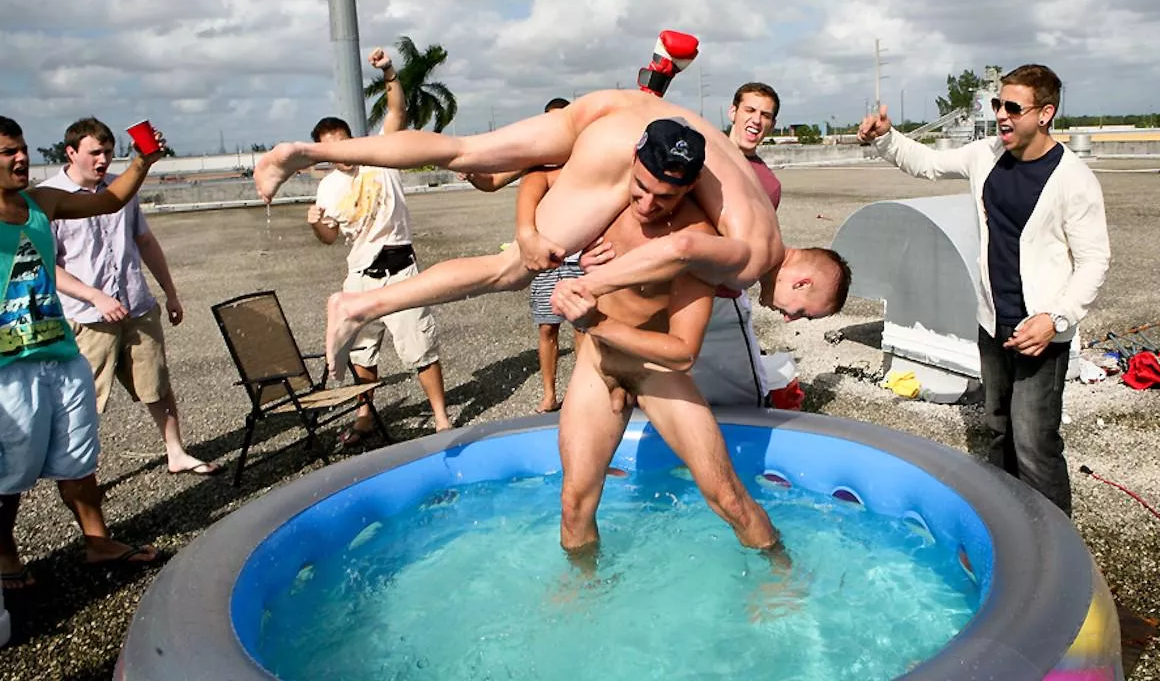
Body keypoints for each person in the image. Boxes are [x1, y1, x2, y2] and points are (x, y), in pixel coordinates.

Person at [255, 79, 850, 376]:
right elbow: (686, 244)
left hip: (620, 105)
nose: (790, 319)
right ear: (801, 280)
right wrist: (598, 281)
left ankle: (299, 154)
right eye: (804, 311)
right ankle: (361, 306)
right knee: (514, 267)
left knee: (463, 150)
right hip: (625, 144)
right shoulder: (752, 260)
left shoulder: (764, 209)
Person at [856, 64, 1110, 516]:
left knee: (1034, 442)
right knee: (996, 427)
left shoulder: (1074, 180)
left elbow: (1094, 262)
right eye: (998, 104)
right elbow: (930, 164)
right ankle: (1010, 522)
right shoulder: (987, 154)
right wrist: (886, 138)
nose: (1002, 116)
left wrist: (1056, 319)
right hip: (993, 323)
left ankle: (1056, 545)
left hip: (1041, 334)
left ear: (1045, 113)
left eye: (1014, 107)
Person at [549, 117, 782, 566]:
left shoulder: (695, 241)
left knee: (727, 497)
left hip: (655, 369)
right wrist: (539, 239)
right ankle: (583, 599)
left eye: (666, 197)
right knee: (574, 504)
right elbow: (537, 177)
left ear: (690, 186)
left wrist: (592, 320)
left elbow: (682, 352)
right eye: (641, 188)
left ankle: (782, 574)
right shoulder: (605, 199)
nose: (648, 204)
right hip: (596, 365)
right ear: (633, 161)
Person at [1, 115, 164, 590]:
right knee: (11, 466)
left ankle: (97, 541)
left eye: (22, 147)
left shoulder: (40, 203)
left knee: (78, 454)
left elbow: (112, 198)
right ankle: (4, 552)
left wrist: (143, 161)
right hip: (9, 366)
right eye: (7, 151)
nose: (20, 157)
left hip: (58, 349)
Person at [42, 117, 219, 476]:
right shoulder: (49, 198)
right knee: (85, 401)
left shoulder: (121, 189)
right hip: (88, 318)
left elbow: (146, 242)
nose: (102, 160)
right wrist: (94, 297)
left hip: (137, 306)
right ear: (71, 152)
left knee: (157, 385)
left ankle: (176, 452)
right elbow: (48, 266)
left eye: (107, 152)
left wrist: (170, 292)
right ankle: (79, 474)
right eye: (94, 153)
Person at [306, 46, 452, 438]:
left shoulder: (379, 158)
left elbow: (397, 113)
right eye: (330, 146)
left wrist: (388, 70)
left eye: (343, 141)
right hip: (359, 275)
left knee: (421, 348)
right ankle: (365, 415)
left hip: (400, 269)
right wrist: (317, 224)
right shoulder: (327, 188)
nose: (341, 151)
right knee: (361, 351)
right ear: (323, 151)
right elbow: (330, 237)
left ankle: (440, 418)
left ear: (353, 140)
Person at [461, 97, 596, 413]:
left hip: (581, 258)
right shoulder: (535, 162)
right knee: (547, 328)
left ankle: (581, 391)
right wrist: (472, 173)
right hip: (543, 259)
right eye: (549, 121)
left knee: (582, 328)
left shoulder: (585, 158)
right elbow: (492, 181)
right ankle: (549, 394)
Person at [687, 81, 784, 406]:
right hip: (678, 291)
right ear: (733, 111)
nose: (757, 120)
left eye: (766, 115)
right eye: (750, 110)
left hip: (724, 300)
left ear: (772, 124)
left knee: (752, 398)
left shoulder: (768, 184)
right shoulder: (697, 155)